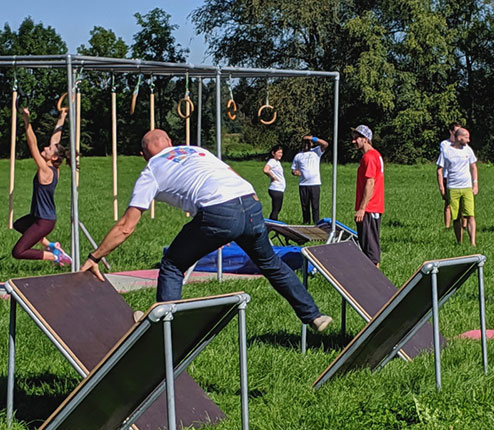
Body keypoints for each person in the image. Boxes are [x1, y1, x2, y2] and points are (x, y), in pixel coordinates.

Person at [79, 129, 332, 332]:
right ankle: (314, 315)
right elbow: (230, 172)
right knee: (271, 264)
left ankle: (165, 329)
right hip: (251, 202)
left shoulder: (152, 170)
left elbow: (126, 226)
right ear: (170, 142)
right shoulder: (195, 150)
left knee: (172, 264)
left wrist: (94, 257)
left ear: (143, 154)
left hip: (219, 211)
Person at [11, 107, 72, 266]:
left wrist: (26, 121)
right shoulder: (54, 168)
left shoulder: (45, 170)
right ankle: (51, 246)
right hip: (38, 217)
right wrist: (62, 117)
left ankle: (56, 257)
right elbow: (55, 139)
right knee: (19, 225)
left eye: (49, 149)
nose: (46, 148)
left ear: (54, 157)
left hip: (44, 221)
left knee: (18, 252)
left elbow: (33, 145)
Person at [437, 128, 478, 246]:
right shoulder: (446, 151)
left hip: (467, 187)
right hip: (452, 187)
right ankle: (459, 242)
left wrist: (475, 184)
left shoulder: (468, 150)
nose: (469, 140)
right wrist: (442, 188)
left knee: (470, 215)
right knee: (456, 217)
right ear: (460, 137)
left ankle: (473, 242)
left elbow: (473, 167)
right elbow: (439, 170)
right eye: (467, 138)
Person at [352, 125, 385, 266]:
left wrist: (362, 208)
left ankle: (375, 283)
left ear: (365, 139)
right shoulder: (375, 155)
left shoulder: (369, 157)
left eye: (356, 138)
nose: (353, 141)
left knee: (371, 251)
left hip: (370, 208)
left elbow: (370, 183)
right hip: (372, 208)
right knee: (367, 247)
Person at [291, 134, 328, 224]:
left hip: (315, 183)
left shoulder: (316, 151)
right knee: (305, 206)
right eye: (305, 142)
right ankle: (306, 222)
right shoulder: (298, 156)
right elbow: (293, 169)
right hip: (303, 184)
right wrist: (295, 172)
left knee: (315, 206)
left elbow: (325, 144)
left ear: (312, 143)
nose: (306, 144)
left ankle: (316, 223)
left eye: (308, 142)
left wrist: (312, 138)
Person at [438, 122, 460, 228]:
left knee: (461, 203)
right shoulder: (444, 144)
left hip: (459, 176)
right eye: (456, 132)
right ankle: (447, 226)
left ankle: (462, 225)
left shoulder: (462, 144)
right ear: (451, 132)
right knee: (448, 203)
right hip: (447, 176)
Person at [263, 145, 286, 221]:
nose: (280, 154)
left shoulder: (277, 162)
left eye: (281, 152)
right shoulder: (272, 161)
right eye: (278, 152)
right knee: (276, 210)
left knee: (277, 209)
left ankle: (272, 225)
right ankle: (273, 226)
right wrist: (272, 176)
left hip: (279, 189)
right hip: (276, 189)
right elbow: (266, 170)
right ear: (273, 153)